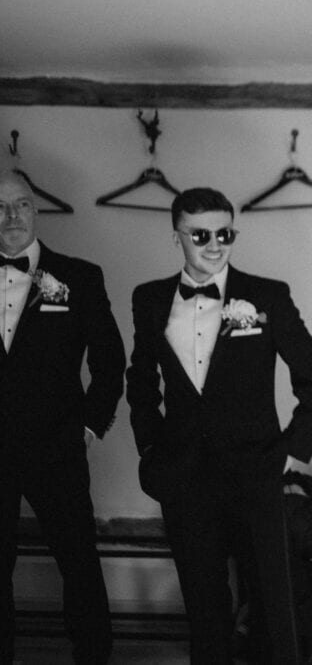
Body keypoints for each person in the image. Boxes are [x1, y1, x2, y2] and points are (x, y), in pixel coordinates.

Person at [125, 187, 312, 664]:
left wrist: (290, 452)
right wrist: (151, 447)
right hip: (185, 474)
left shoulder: (266, 296)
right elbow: (140, 378)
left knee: (270, 600)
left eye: (225, 233)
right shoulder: (151, 299)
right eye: (200, 234)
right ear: (176, 235)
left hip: (256, 472)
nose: (215, 244)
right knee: (203, 602)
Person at [0, 169, 125, 665]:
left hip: (57, 446)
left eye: (20, 204)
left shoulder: (79, 276)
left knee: (78, 560)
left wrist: (91, 423)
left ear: (35, 209)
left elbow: (110, 361)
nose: (10, 216)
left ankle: (94, 657)